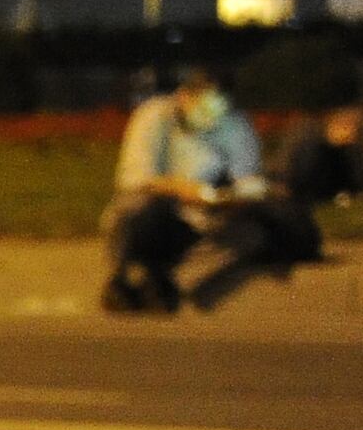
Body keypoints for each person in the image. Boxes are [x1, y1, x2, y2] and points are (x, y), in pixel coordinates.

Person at [102, 66, 299, 312]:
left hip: (205, 216)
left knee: (256, 235)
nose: (212, 118)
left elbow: (249, 180)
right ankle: (125, 280)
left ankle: (172, 286)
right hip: (156, 209)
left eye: (219, 110)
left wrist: (238, 196)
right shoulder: (155, 115)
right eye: (205, 108)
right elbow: (138, 178)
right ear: (184, 96)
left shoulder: (234, 124)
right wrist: (185, 189)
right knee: (140, 209)